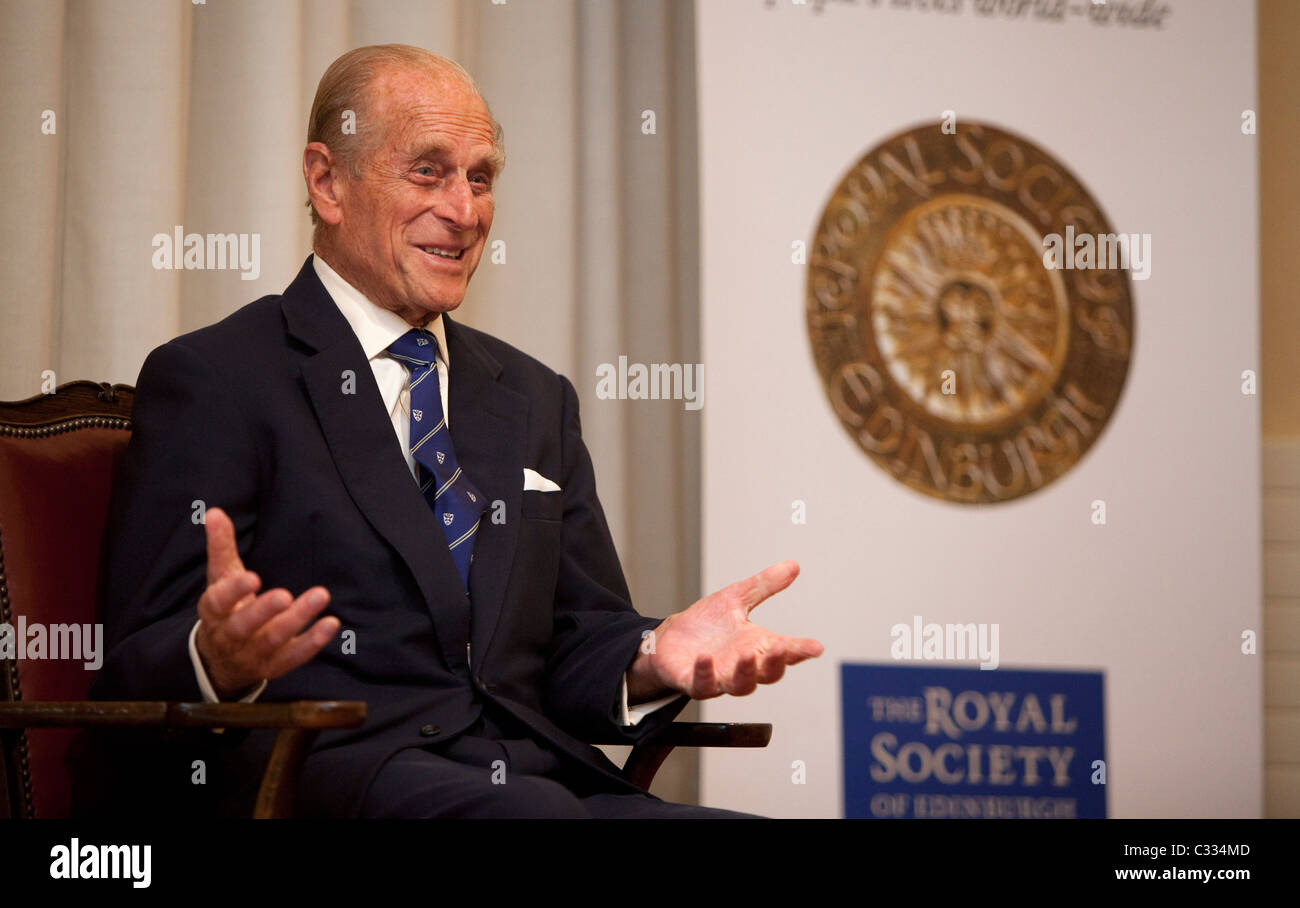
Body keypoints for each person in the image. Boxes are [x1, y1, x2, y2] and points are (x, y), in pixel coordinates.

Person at [91, 44, 822, 818]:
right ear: (327, 181)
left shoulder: (536, 398)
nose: (465, 212)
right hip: (330, 781)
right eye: (429, 171)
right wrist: (218, 659)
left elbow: (579, 639)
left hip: (537, 783)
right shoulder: (220, 378)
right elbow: (135, 667)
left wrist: (652, 655)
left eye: (481, 178)